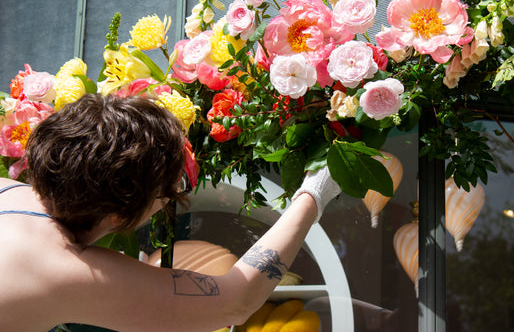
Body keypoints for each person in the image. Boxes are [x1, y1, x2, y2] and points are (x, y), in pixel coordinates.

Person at [0, 94, 340, 332]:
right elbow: (235, 301)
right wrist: (313, 194)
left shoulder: (7, 191)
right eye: (170, 190)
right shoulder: (63, 271)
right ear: (119, 215)